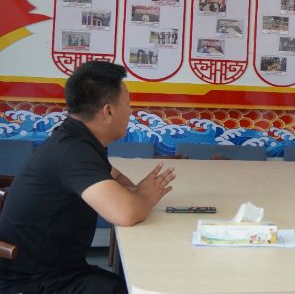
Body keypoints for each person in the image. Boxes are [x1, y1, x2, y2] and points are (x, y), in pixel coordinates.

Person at [0, 61, 175, 294]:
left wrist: (135, 193)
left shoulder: (75, 138)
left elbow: (113, 175)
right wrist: (144, 196)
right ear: (108, 111)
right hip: (35, 282)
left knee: (133, 283)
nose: (131, 111)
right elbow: (125, 213)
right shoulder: (73, 151)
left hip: (58, 269)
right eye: (127, 104)